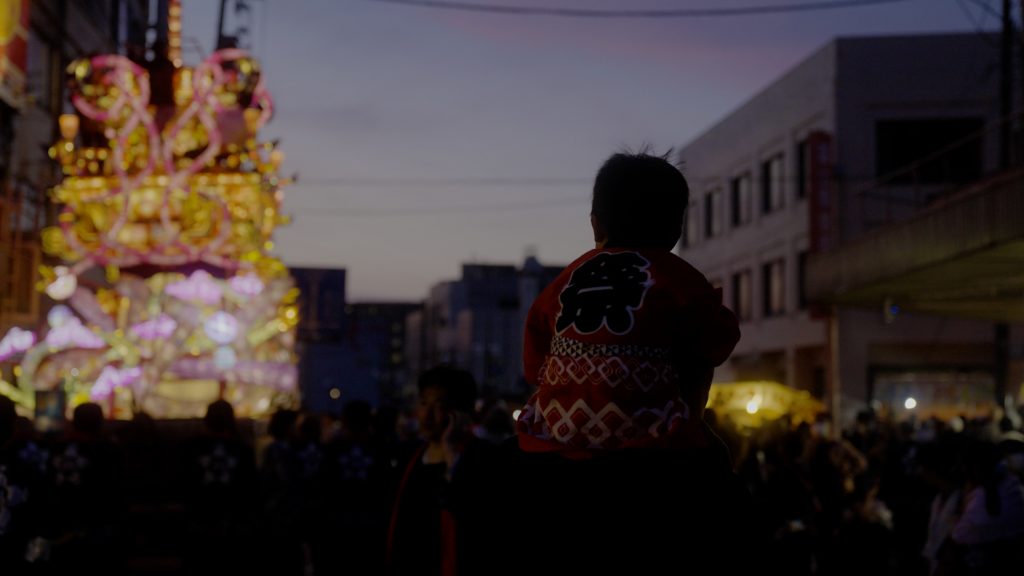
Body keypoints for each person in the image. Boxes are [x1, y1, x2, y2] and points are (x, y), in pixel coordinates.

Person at [508, 150, 755, 574]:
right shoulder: (678, 276)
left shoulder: (565, 280)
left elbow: (533, 366)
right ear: (677, 225)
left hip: (552, 439)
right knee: (721, 475)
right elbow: (718, 339)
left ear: (595, 224)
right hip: (653, 446)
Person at [385, 365, 498, 576]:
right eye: (423, 403)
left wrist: (451, 454)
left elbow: (475, 517)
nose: (427, 415)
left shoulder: (483, 458)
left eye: (439, 405)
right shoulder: (409, 457)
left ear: (461, 413)